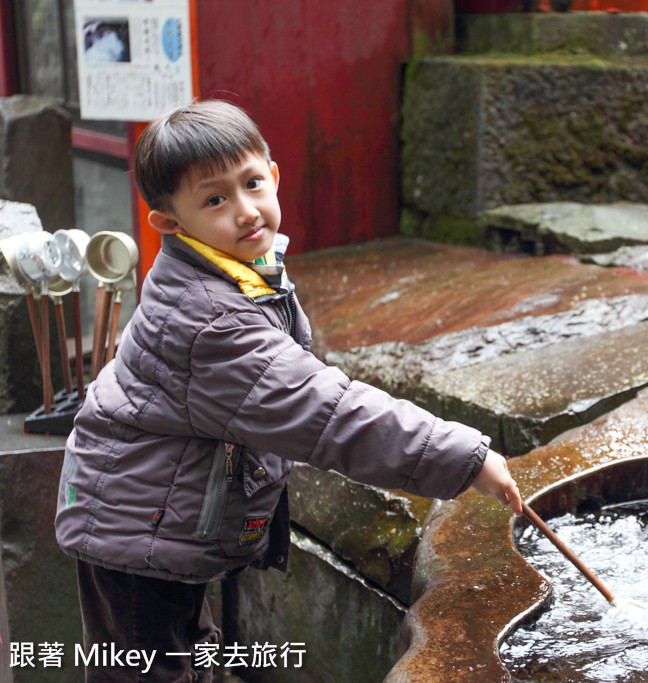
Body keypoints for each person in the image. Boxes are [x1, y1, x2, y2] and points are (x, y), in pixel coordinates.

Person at [55, 99, 523, 682]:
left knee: (186, 651)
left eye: (252, 182)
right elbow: (330, 414)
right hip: (132, 530)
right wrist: (466, 458)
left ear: (273, 175)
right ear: (170, 222)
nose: (247, 210)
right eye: (215, 199)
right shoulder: (209, 320)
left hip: (154, 513)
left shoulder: (238, 270)